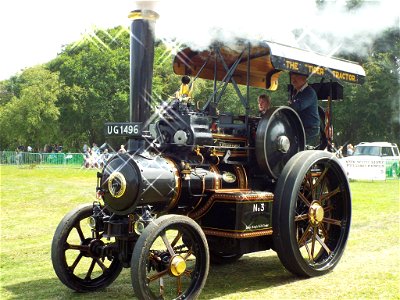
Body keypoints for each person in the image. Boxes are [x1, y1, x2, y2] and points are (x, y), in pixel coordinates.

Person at [288, 72, 320, 146]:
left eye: (296, 76)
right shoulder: (297, 93)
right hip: (301, 128)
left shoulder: (309, 92)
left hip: (310, 130)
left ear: (305, 78)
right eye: (292, 77)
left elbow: (297, 107)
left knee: (294, 147)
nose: (293, 80)